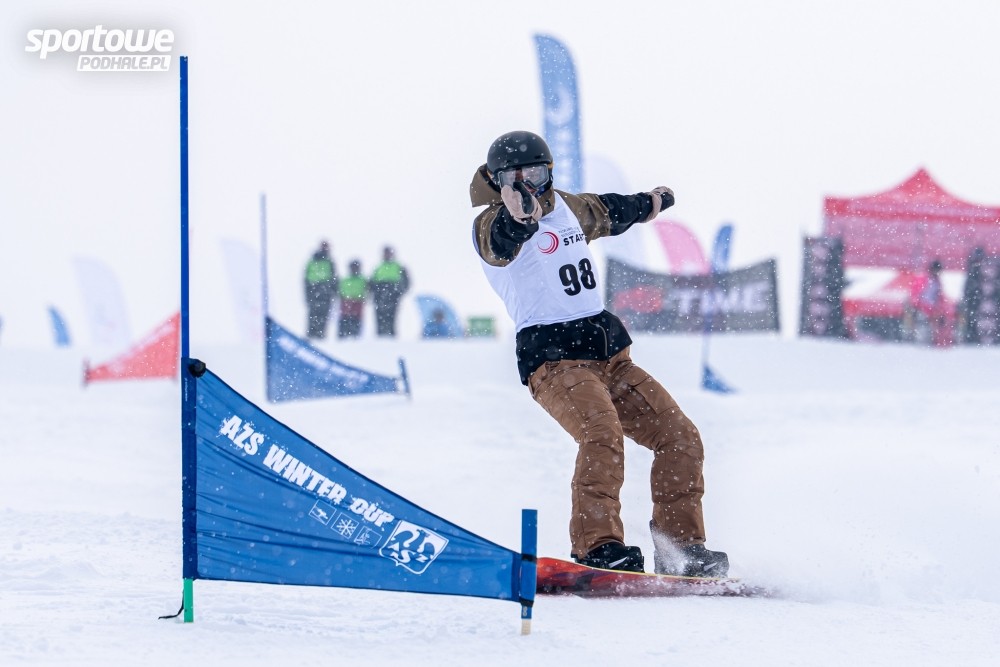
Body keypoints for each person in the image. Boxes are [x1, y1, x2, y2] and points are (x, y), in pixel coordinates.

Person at [469, 130, 728, 577]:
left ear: (549, 173)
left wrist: (651, 202)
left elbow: (610, 210)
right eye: (514, 178)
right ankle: (598, 546)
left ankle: (681, 548)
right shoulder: (489, 223)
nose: (526, 186)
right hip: (554, 361)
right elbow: (500, 243)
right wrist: (518, 220)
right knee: (600, 433)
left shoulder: (568, 207)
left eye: (535, 174)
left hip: (608, 355)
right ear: (497, 181)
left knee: (679, 436)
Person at [370, 246, 410, 337]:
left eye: (388, 253)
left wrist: (399, 291)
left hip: (393, 294)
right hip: (380, 294)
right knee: (379, 317)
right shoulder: (378, 267)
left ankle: (391, 336)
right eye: (385, 253)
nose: (387, 255)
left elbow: (406, 282)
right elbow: (372, 282)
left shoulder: (398, 266)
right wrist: (375, 291)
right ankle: (380, 336)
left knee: (391, 316)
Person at [303, 240, 338, 339]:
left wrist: (333, 292)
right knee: (314, 315)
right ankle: (312, 335)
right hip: (316, 290)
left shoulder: (329, 262)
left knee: (322, 316)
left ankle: (319, 335)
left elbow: (334, 278)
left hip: (324, 292)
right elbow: (306, 279)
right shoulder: (314, 261)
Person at [337, 259, 368, 338]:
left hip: (358, 303)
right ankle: (343, 337)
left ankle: (355, 337)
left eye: (356, 267)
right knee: (344, 320)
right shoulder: (345, 280)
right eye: (353, 267)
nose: (354, 269)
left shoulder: (363, 280)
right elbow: (339, 292)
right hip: (346, 303)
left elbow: (367, 291)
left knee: (356, 321)